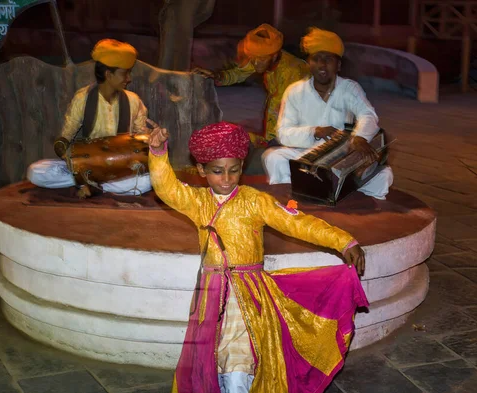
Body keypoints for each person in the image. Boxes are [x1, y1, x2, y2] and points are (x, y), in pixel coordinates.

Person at [147, 121, 368, 393]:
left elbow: (298, 223)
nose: (227, 179)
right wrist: (158, 153)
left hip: (249, 292)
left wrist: (343, 241)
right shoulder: (197, 201)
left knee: (240, 350)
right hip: (211, 295)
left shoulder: (255, 201)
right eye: (217, 172)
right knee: (213, 353)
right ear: (202, 170)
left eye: (234, 170)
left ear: (242, 166)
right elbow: (166, 188)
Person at [262, 28, 394, 200]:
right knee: (273, 158)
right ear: (309, 63)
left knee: (384, 176)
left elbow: (368, 115)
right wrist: (314, 132)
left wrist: (360, 137)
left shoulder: (349, 88)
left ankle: (347, 200)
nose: (322, 65)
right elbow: (284, 133)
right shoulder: (295, 91)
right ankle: (294, 200)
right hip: (304, 154)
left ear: (338, 65)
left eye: (328, 59)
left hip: (340, 156)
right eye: (316, 59)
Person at [27, 38, 152, 197]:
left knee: (148, 181)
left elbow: (141, 139)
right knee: (36, 171)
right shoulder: (83, 98)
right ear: (108, 74)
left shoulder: (134, 101)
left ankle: (94, 187)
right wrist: (75, 164)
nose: (129, 78)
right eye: (125, 73)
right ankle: (89, 182)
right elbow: (63, 139)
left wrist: (154, 139)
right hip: (86, 166)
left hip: (121, 170)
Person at [193, 24, 309, 145]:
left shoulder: (291, 72)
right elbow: (239, 73)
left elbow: (279, 110)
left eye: (261, 59)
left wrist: (267, 141)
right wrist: (215, 75)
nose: (256, 63)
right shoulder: (264, 58)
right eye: (252, 57)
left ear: (274, 55)